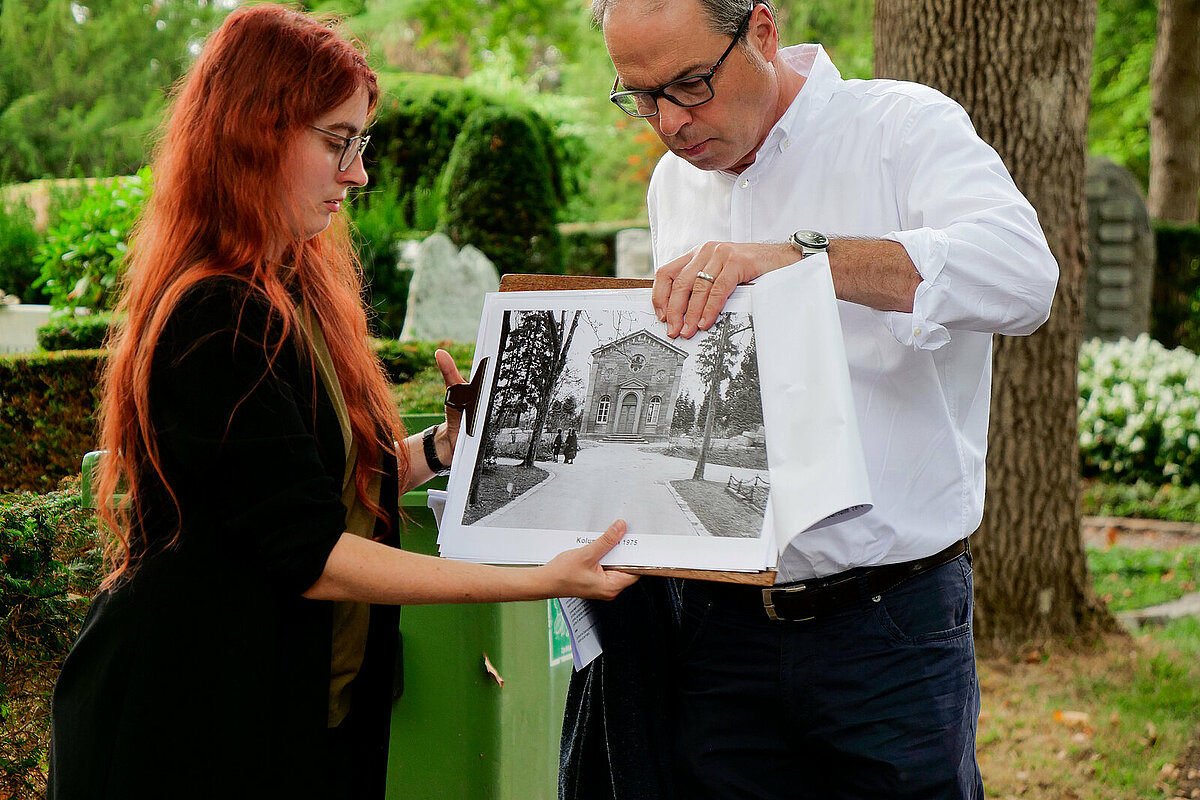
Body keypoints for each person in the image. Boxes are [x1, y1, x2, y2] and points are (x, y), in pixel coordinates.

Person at [47, 6, 636, 799]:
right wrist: (540, 577)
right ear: (255, 134)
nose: (358, 174)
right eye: (337, 142)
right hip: (186, 723)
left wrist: (440, 449)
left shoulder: (288, 288)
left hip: (285, 713)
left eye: (362, 144)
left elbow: (298, 490)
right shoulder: (215, 315)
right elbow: (310, 554)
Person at [581, 0, 1059, 797]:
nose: (669, 121)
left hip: (889, 621)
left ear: (761, 33)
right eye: (640, 96)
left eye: (691, 84)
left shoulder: (902, 128)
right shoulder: (674, 184)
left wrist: (801, 260)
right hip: (714, 628)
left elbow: (1024, 277)